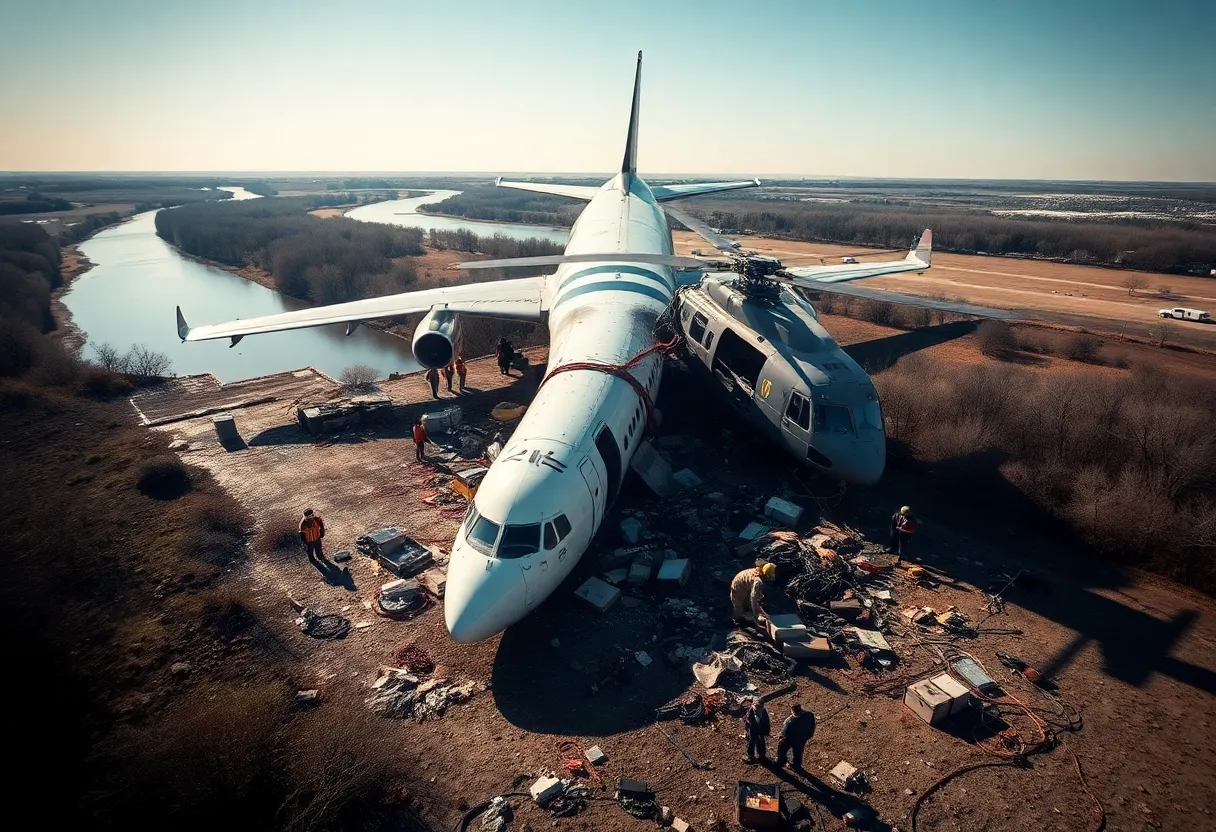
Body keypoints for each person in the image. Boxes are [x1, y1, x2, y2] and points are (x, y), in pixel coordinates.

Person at [731, 562, 776, 626]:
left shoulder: (758, 571)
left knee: (754, 600)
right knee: (739, 607)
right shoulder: (758, 582)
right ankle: (737, 623)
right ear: (766, 575)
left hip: (742, 582)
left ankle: (749, 613)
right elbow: (754, 600)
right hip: (738, 587)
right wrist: (756, 616)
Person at [776, 703, 816, 770]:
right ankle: (797, 766)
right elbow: (812, 726)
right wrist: (808, 736)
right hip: (802, 739)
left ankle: (781, 761)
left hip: (790, 740)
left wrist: (781, 738)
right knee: (798, 753)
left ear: (793, 711)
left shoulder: (789, 722)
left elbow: (784, 733)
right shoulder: (809, 715)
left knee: (781, 749)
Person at [743, 697, 771, 764]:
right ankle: (761, 756)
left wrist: (767, 733)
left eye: (755, 705)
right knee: (759, 742)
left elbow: (766, 723)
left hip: (756, 731)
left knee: (753, 742)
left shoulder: (761, 712)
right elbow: (748, 720)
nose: (753, 706)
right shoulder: (754, 710)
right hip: (756, 731)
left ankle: (752, 756)